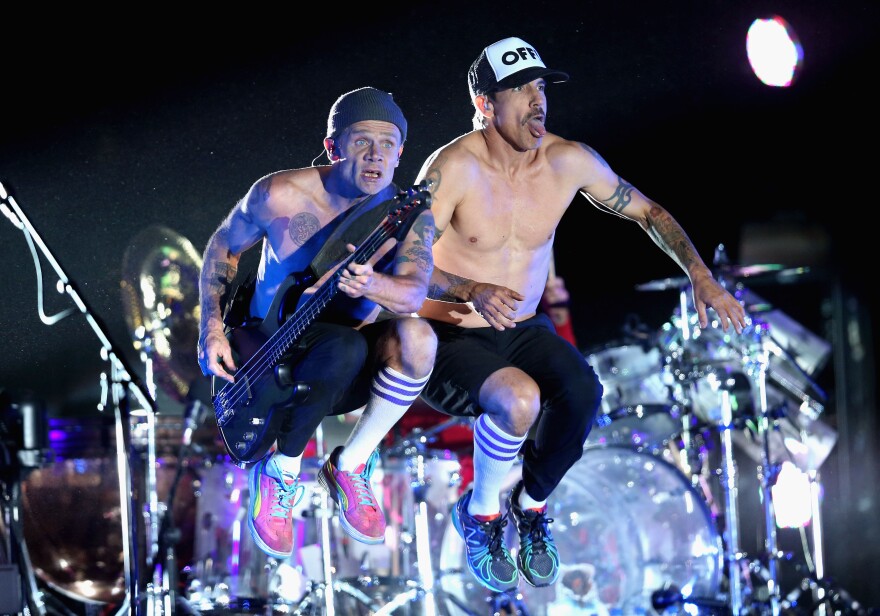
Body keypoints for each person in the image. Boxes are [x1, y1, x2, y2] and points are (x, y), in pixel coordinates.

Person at [414, 36, 747, 593]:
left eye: (541, 87)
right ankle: (481, 514)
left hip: (521, 328)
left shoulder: (566, 161)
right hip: (450, 334)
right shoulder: (453, 168)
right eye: (519, 89)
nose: (537, 100)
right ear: (485, 103)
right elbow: (403, 259)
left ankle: (530, 507)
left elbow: (649, 211)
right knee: (519, 398)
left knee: (583, 393)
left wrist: (701, 275)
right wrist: (468, 287)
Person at [197, 86, 436, 560]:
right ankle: (279, 474)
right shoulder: (278, 193)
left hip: (343, 368)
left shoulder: (408, 217)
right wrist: (211, 327)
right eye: (362, 141)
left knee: (415, 339)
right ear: (333, 146)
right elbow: (223, 245)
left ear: (400, 152)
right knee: (342, 346)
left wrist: (371, 284)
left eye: (388, 144)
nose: (376, 154)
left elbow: (413, 292)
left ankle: (339, 466)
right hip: (264, 357)